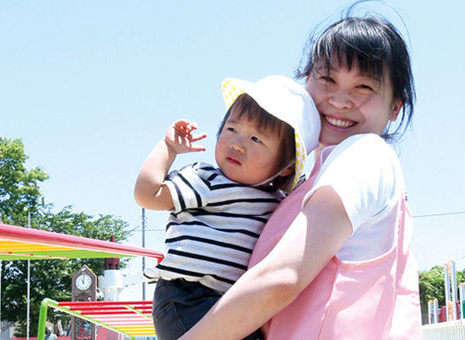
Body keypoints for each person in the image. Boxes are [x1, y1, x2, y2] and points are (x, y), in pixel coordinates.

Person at [180, 15, 423, 340]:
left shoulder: (365, 153)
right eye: (326, 80)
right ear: (305, 80)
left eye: (363, 86)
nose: (339, 100)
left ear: (395, 106)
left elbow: (280, 278)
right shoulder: (310, 176)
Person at [134, 75, 321, 340]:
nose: (237, 143)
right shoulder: (207, 180)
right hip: (187, 297)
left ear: (286, 167)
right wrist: (167, 148)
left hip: (230, 305)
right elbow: (147, 195)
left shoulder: (278, 204)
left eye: (256, 139)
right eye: (231, 129)